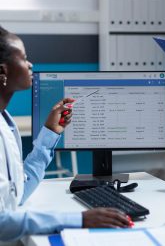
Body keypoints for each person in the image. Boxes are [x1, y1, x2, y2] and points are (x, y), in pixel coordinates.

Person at [0, 26, 131, 242]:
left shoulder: (6, 120)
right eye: (23, 58)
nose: (30, 64)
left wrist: (50, 133)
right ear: (3, 71)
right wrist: (78, 219)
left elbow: (18, 193)